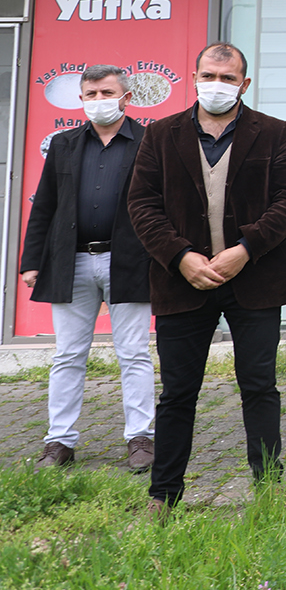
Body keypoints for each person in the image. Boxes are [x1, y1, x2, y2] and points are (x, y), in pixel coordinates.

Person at [128, 42, 286, 514]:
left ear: (245, 84)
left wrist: (245, 249)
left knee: (259, 385)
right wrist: (180, 256)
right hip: (181, 282)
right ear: (195, 77)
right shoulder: (160, 135)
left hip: (256, 280)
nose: (218, 86)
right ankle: (164, 494)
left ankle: (270, 486)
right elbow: (141, 204)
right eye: (210, 76)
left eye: (228, 79)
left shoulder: (273, 132)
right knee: (178, 393)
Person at [20, 64, 155, 472]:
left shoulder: (151, 142)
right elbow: (45, 204)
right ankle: (59, 441)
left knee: (133, 353)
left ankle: (141, 438)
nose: (99, 101)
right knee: (68, 355)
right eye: (91, 94)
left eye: (106, 92)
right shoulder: (63, 144)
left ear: (126, 97)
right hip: (71, 260)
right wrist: (31, 260)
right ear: (81, 100)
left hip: (129, 260)